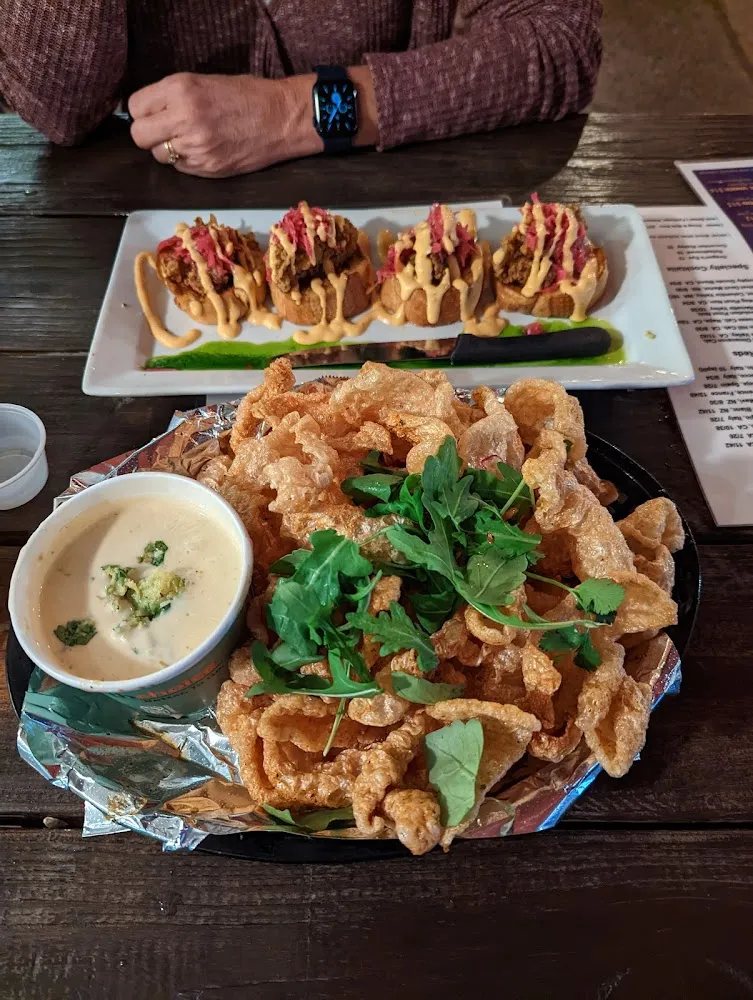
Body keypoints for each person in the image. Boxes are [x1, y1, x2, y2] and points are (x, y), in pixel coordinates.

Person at [0, 1, 601, 178]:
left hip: (409, 196)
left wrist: (293, 112)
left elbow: (559, 39)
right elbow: (61, 107)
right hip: (135, 230)